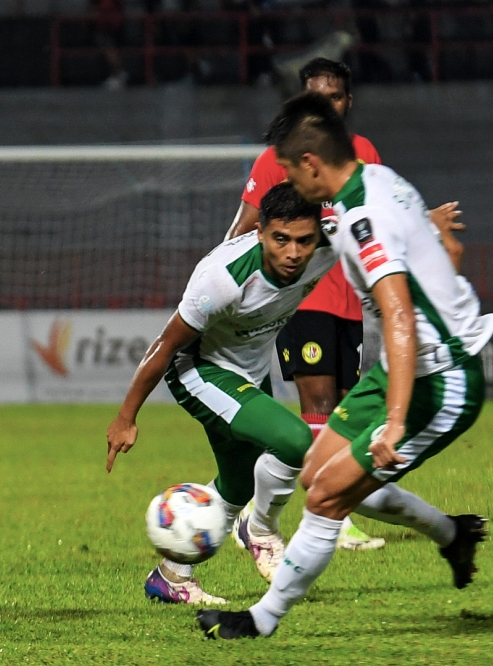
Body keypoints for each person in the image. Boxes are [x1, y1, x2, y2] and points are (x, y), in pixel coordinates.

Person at [197, 93, 493, 640]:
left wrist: (397, 421)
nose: (283, 180)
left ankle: (261, 619)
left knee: (328, 494)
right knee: (318, 472)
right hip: (401, 372)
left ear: (309, 163)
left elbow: (399, 314)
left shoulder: (364, 216)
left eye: (286, 168)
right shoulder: (379, 180)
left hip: (441, 377)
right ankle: (452, 534)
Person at [226, 57, 464, 554]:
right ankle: (330, 515)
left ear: (347, 103)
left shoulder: (364, 153)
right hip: (304, 297)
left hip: (357, 298)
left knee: (347, 410)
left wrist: (422, 219)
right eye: (317, 97)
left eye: (334, 97)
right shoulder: (279, 158)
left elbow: (378, 214)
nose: (327, 105)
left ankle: (312, 507)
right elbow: (244, 229)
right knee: (318, 405)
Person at [106, 183, 338, 604]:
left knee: (238, 482)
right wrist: (126, 416)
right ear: (261, 231)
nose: (293, 253)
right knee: (295, 439)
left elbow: (385, 234)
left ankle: (171, 577)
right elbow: (165, 344)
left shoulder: (332, 244)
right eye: (280, 239)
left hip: (249, 369)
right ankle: (261, 530)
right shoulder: (223, 277)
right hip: (199, 370)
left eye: (304, 241)